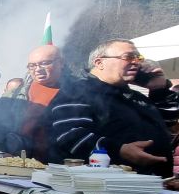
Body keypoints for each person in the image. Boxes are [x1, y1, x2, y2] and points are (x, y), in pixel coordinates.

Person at [47, 39, 174, 176]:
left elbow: (169, 123)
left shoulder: (134, 96)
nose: (136, 62)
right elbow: (70, 135)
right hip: (102, 186)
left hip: (153, 184)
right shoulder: (77, 91)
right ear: (100, 63)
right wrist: (120, 150)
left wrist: (159, 89)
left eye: (138, 57)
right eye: (128, 57)